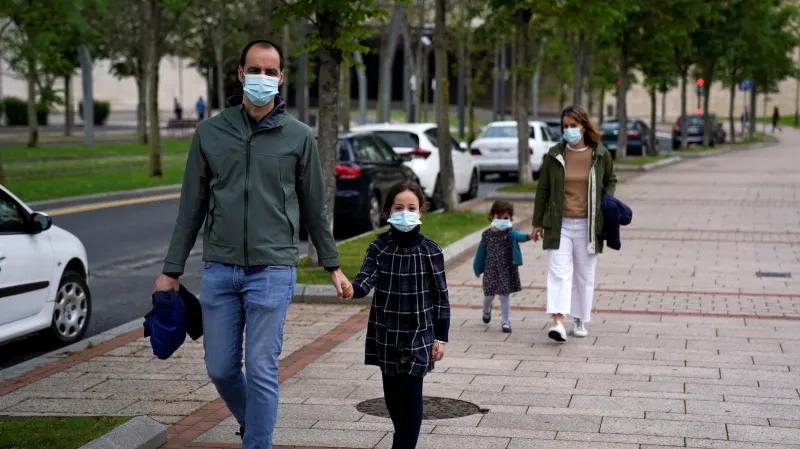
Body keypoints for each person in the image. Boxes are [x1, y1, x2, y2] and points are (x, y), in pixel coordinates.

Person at [154, 39, 353, 449]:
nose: (262, 78)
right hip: (220, 270)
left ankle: (257, 442)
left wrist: (332, 265)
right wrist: (171, 271)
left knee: (261, 367)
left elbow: (315, 207)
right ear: (241, 74)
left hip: (274, 270)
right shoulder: (210, 132)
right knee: (221, 368)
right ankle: (254, 423)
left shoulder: (299, 136)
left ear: (281, 78)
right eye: (255, 70)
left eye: (271, 71)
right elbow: (191, 207)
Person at [344, 180, 450, 449]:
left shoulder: (431, 251)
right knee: (392, 397)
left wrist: (441, 337)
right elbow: (365, 280)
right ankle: (401, 439)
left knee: (412, 394)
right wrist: (351, 289)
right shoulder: (378, 248)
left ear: (421, 212)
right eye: (399, 207)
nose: (406, 212)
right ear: (389, 212)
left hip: (419, 335)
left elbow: (441, 298)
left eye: (411, 207)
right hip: (386, 333)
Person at [531, 104, 617, 343]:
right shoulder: (555, 154)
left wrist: (606, 200)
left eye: (573, 125)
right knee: (558, 273)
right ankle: (558, 321)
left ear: (583, 126)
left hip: (589, 226)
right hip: (560, 225)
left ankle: (579, 318)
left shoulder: (600, 153)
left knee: (584, 274)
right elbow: (544, 189)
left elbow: (611, 179)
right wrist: (537, 222)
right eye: (565, 126)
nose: (568, 130)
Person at [473, 200, 535, 333]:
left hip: (506, 270)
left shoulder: (510, 232)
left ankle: (505, 322)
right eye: (499, 217)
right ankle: (486, 311)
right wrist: (478, 269)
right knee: (489, 296)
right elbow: (480, 253)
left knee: (504, 296)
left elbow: (520, 237)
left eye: (505, 218)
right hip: (491, 271)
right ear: (492, 216)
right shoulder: (487, 234)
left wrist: (529, 236)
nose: (502, 221)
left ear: (510, 218)